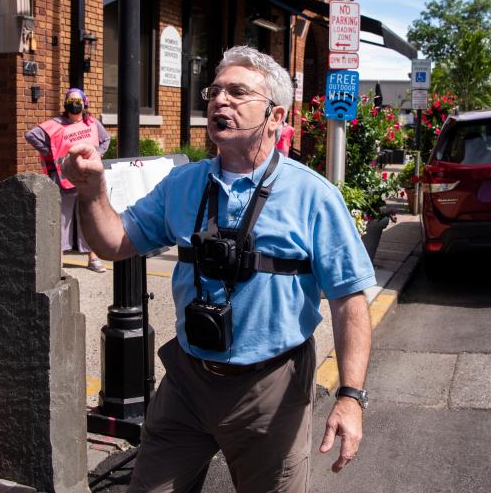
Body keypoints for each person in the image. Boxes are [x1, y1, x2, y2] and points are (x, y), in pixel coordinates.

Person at [59, 46, 375, 493]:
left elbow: (349, 301)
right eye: (215, 91)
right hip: (187, 380)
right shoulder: (183, 184)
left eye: (238, 92)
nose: (219, 101)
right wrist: (91, 190)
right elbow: (114, 242)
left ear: (276, 115)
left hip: (271, 387)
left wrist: (351, 396)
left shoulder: (313, 195)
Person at [25, 87, 110, 272]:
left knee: (88, 216)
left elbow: (105, 140)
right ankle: (58, 260)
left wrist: (97, 154)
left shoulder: (92, 124)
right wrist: (51, 153)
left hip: (87, 177)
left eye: (78, 101)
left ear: (84, 103)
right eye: (71, 100)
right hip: (64, 179)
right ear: (65, 104)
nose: (74, 104)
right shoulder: (56, 124)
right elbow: (31, 135)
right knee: (62, 219)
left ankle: (93, 257)